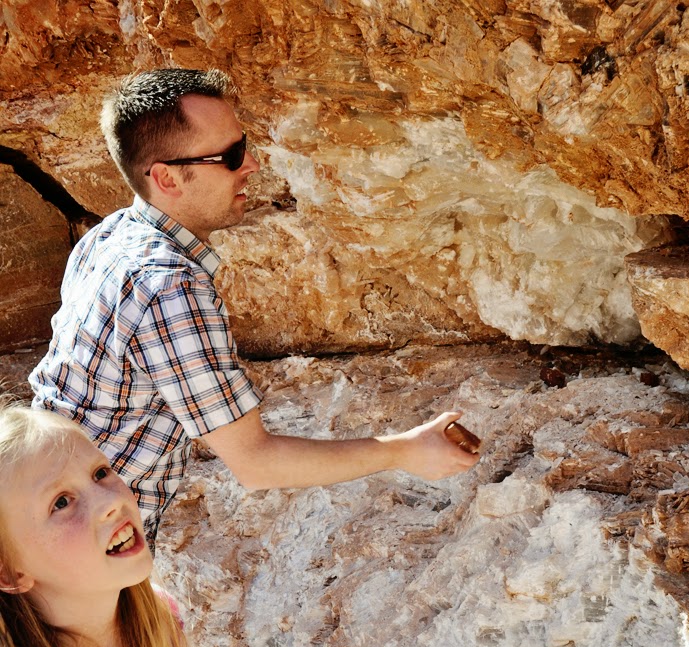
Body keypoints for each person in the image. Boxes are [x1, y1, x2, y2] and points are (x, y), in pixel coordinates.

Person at [29, 68, 478, 547]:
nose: (252, 165)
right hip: (78, 552)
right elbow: (256, 462)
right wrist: (404, 451)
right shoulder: (168, 287)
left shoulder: (110, 235)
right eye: (230, 156)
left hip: (38, 519)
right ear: (165, 177)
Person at [0, 404, 251, 647]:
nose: (109, 501)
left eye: (100, 473)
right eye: (61, 502)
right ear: (8, 572)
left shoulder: (159, 619)